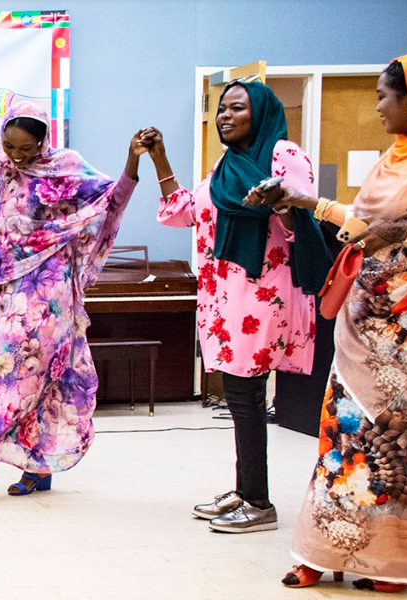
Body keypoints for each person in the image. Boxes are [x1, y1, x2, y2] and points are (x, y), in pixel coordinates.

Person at [0, 102, 143, 504]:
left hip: (48, 297)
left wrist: (132, 162)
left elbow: (110, 200)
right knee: (32, 381)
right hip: (8, 292)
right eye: (9, 146)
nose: (17, 156)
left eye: (25, 149)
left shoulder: (66, 166)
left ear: (43, 141)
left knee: (12, 380)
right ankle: (37, 467)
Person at [143, 80, 331, 532]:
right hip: (223, 292)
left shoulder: (283, 154)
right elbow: (184, 211)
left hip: (262, 291)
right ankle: (245, 492)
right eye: (221, 109)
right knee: (239, 395)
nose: (225, 116)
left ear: (260, 113)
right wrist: (159, 157)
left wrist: (279, 203)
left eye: (236, 108)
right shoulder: (226, 164)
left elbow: (300, 218)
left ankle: (259, 503)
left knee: (246, 397)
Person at [263, 54, 407, 592]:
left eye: (385, 96)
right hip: (363, 315)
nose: (378, 106)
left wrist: (403, 236)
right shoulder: (390, 161)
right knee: (341, 437)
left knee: (396, 441)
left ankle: (391, 562)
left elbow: (395, 232)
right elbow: (362, 227)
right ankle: (321, 549)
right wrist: (306, 203)